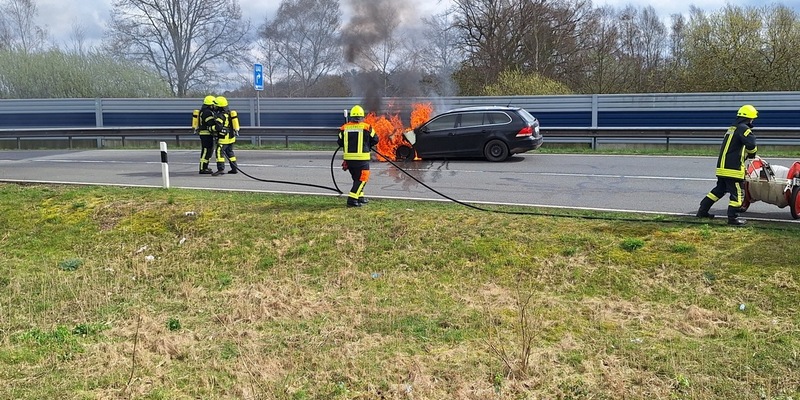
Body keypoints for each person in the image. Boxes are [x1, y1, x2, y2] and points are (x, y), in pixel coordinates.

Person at [696, 104, 758, 226]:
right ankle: (733, 218)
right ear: (750, 118)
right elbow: (751, 145)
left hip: (722, 167)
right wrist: (752, 155)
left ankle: (702, 211)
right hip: (733, 169)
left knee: (718, 191)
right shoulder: (744, 129)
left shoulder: (732, 129)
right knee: (738, 193)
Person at [338, 105, 379, 207]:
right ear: (362, 117)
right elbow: (375, 139)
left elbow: (340, 142)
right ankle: (352, 200)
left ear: (351, 116)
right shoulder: (367, 127)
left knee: (357, 178)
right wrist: (368, 144)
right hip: (361, 159)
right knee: (362, 179)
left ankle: (360, 197)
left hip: (349, 160)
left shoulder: (344, 128)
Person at [210, 96, 239, 175]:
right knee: (230, 152)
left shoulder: (221, 116)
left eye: (216, 106)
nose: (214, 107)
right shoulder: (229, 113)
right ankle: (234, 168)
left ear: (220, 107)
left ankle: (220, 169)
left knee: (219, 152)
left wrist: (211, 128)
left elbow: (218, 127)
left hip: (224, 138)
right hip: (231, 136)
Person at [195, 95, 217, 174]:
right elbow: (210, 123)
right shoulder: (207, 112)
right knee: (206, 150)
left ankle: (205, 167)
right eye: (214, 105)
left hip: (207, 134)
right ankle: (202, 168)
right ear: (210, 104)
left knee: (209, 150)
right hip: (206, 134)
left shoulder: (205, 111)